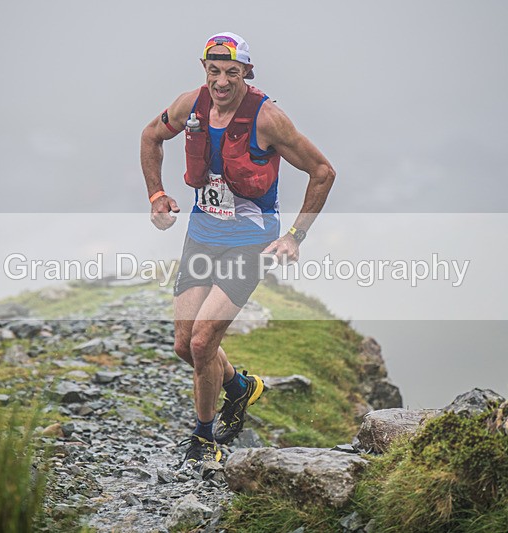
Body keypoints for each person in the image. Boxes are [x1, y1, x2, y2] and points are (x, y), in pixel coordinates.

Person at [139, 32, 335, 470]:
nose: (222, 81)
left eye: (232, 72)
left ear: (247, 72)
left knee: (204, 341)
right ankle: (241, 386)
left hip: (250, 241)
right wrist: (156, 195)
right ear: (204, 68)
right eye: (214, 71)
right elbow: (150, 137)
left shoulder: (268, 120)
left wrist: (295, 235)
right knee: (183, 345)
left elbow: (323, 171)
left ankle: (204, 438)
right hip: (202, 235)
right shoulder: (189, 105)